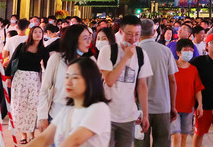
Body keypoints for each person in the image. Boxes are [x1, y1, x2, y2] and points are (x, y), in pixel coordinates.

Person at [27, 58, 111, 147]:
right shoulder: (67, 110)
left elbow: (74, 141)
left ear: (89, 81)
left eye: (75, 77)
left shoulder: (99, 109)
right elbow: (44, 138)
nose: (68, 82)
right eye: (67, 77)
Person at [98, 15, 151, 147]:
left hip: (128, 116)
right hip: (107, 115)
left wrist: (145, 114)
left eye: (137, 34)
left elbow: (142, 86)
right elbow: (109, 81)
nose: (133, 39)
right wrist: (125, 58)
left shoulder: (141, 54)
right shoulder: (108, 51)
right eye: (129, 34)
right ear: (120, 32)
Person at [38, 24, 94, 131]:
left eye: (89, 38)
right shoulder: (57, 59)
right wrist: (42, 117)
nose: (88, 42)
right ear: (74, 40)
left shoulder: (90, 61)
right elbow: (45, 89)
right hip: (56, 116)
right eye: (85, 38)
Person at [137, 18, 178, 147]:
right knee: (163, 142)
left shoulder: (134, 51)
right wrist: (172, 106)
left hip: (140, 109)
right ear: (154, 31)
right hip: (163, 106)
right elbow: (172, 81)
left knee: (140, 143)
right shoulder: (165, 50)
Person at [11, 25, 49, 142]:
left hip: (34, 79)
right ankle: (23, 135)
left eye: (40, 32)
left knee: (33, 106)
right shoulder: (22, 46)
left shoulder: (43, 50)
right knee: (20, 106)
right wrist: (8, 77)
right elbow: (13, 60)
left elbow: (47, 66)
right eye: (35, 32)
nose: (38, 34)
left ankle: (32, 134)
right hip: (20, 78)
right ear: (31, 34)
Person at [172, 39, 203, 147]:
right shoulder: (171, 68)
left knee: (184, 136)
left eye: (191, 50)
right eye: (186, 50)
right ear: (178, 53)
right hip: (173, 108)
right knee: (176, 136)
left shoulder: (193, 69)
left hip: (188, 108)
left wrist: (200, 104)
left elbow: (197, 89)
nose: (189, 52)